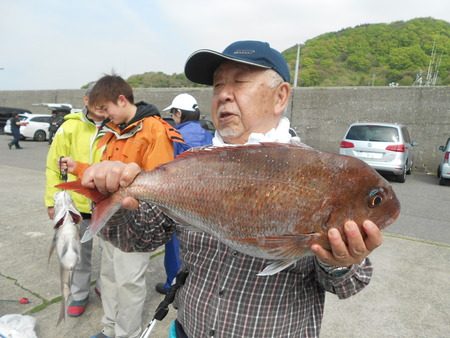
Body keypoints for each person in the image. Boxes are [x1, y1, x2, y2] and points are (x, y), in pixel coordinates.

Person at [78, 41, 383, 337]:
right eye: (217, 86)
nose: (223, 94)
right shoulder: (189, 168)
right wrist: (111, 199)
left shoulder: (319, 173)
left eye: (239, 82)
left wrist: (339, 264)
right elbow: (138, 239)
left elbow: (349, 284)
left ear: (280, 96)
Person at [64, 75, 185, 338]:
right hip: (110, 220)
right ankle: (109, 328)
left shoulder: (154, 129)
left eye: (106, 109)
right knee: (108, 278)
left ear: (121, 99)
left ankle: (126, 334)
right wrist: (80, 170)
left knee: (129, 281)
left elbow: (159, 182)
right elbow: (105, 176)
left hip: (137, 222)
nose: (104, 115)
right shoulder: (111, 131)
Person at [45, 83, 105, 317]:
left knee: (113, 254)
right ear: (86, 100)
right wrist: (53, 202)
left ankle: (103, 286)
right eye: (96, 98)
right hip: (78, 205)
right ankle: (79, 293)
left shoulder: (118, 127)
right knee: (79, 253)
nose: (102, 104)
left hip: (108, 204)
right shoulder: (69, 127)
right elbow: (53, 166)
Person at [155, 93, 213, 295]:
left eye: (173, 113)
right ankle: (198, 283)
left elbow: (166, 166)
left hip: (180, 197)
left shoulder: (174, 135)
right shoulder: (209, 133)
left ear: (178, 113)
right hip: (207, 198)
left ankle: (174, 284)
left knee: (175, 242)